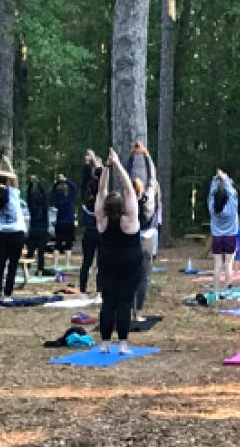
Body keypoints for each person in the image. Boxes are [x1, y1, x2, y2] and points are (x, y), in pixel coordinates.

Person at [94, 150, 144, 355]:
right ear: (122, 206)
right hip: (129, 264)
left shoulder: (102, 220)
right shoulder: (129, 219)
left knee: (108, 303)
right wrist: (118, 164)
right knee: (124, 303)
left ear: (105, 206)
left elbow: (101, 189)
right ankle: (123, 344)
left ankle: (105, 344)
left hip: (107, 263)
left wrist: (106, 167)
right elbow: (128, 189)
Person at [127, 144, 161, 323]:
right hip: (147, 240)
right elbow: (152, 175)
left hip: (131, 241)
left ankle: (129, 309)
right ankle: (137, 313)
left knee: (130, 277)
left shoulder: (128, 201)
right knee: (143, 278)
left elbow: (124, 176)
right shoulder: (148, 195)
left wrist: (131, 157)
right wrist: (146, 155)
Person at [0, 156, 27, 301]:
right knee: (12, 265)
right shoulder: (13, 194)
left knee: (0, 265)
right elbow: (14, 178)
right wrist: (7, 163)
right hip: (17, 234)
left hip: (1, 234)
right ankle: (8, 294)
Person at [208, 170, 240, 294]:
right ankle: (226, 291)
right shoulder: (232, 206)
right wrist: (225, 179)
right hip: (230, 236)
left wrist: (215, 180)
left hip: (217, 237)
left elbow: (211, 194)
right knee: (228, 264)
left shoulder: (212, 207)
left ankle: (216, 290)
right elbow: (233, 193)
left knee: (217, 265)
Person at [78, 175, 100, 297]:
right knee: (100, 264)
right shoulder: (101, 202)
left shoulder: (85, 202)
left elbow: (83, 184)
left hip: (88, 234)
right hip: (99, 233)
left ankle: (82, 290)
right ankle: (99, 291)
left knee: (86, 262)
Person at [50, 175, 77, 271]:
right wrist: (66, 180)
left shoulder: (57, 199)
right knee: (68, 244)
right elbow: (74, 187)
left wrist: (58, 182)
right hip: (69, 223)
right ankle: (67, 264)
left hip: (60, 223)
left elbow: (53, 191)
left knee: (57, 243)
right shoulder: (70, 197)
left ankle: (55, 264)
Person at [25, 176, 51, 275]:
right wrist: (38, 183)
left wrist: (31, 184)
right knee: (41, 252)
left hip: (34, 230)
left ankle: (27, 269)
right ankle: (40, 270)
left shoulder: (32, 207)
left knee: (30, 251)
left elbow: (28, 196)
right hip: (43, 231)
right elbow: (44, 195)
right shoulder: (45, 206)